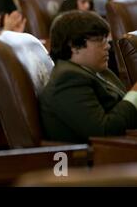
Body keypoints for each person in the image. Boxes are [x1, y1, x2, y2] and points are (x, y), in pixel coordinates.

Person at [39, 10, 137, 143]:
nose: (108, 46)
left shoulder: (98, 70)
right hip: (102, 157)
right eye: (100, 40)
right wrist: (135, 94)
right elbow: (104, 131)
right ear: (74, 46)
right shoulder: (67, 80)